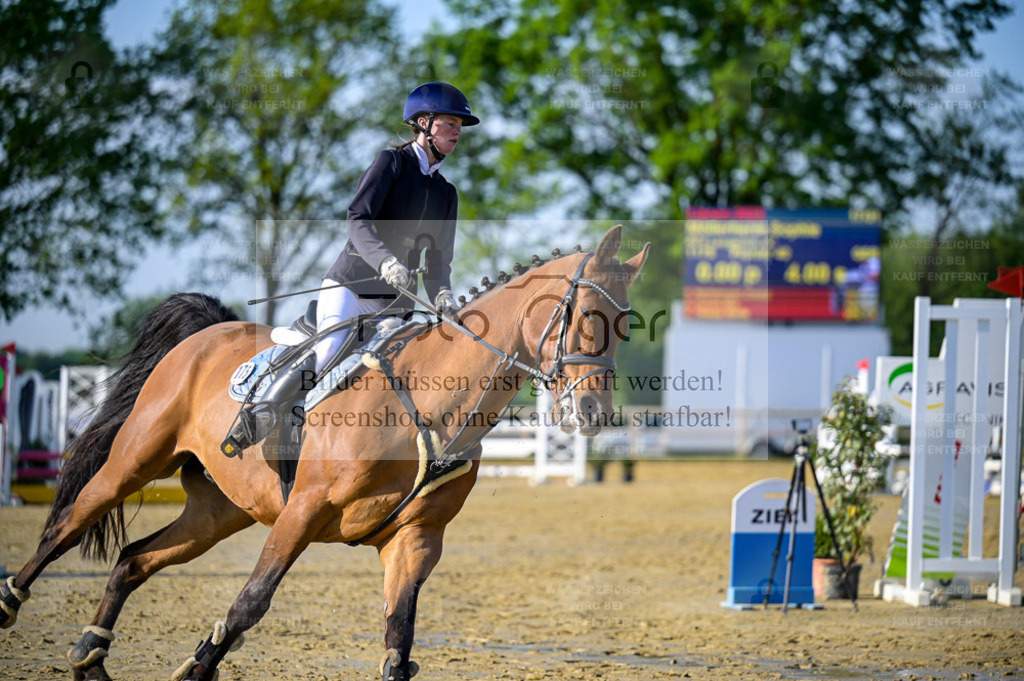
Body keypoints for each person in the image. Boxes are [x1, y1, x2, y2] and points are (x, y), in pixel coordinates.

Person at [222, 82, 478, 456]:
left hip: (395, 305)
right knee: (327, 352)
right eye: (450, 124)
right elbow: (358, 219)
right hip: (352, 286)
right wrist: (385, 260)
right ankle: (255, 423)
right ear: (423, 122)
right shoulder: (391, 163)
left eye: (460, 126)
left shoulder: (446, 192)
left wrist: (442, 294)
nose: (457, 132)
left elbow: (438, 260)